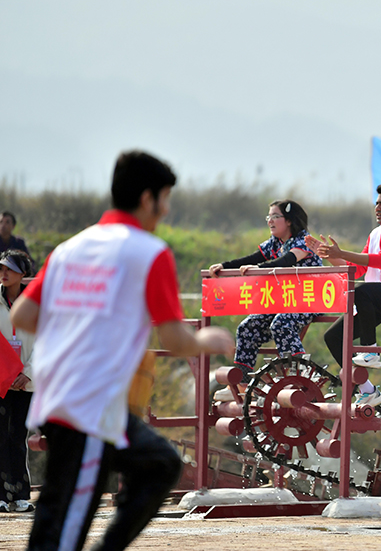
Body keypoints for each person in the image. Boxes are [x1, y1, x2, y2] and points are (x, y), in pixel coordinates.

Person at [10, 150, 235, 551]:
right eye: (165, 198)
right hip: (91, 407)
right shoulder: (148, 252)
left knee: (159, 465)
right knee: (63, 525)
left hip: (67, 397)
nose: (165, 210)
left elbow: (24, 314)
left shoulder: (70, 249)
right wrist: (208, 341)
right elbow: (175, 340)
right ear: (148, 198)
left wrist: (78, 324)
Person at [305, 183, 381, 407]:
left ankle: (370, 350)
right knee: (333, 337)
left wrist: (341, 252)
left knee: (361, 291)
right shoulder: (375, 233)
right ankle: (368, 390)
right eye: (376, 203)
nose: (377, 208)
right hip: (375, 299)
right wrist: (328, 254)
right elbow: (356, 269)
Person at [209, 199, 323, 402]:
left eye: (275, 216)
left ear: (288, 220)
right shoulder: (275, 243)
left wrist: (260, 269)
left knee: (281, 323)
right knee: (247, 328)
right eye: (268, 216)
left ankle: (300, 377)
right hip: (284, 300)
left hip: (308, 299)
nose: (270, 221)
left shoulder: (303, 240)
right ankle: (241, 385)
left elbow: (287, 261)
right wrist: (224, 266)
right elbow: (252, 259)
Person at [0, 249, 35, 513]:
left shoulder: (36, 305)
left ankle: (21, 495)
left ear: (23, 274)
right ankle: (1, 494)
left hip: (25, 382)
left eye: (9, 269)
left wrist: (28, 373)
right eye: (1, 268)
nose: (3, 273)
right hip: (0, 381)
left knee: (18, 437)